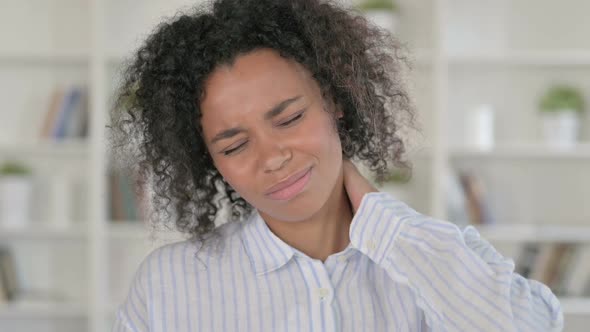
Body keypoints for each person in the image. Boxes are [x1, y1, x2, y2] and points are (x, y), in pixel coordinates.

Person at [110, 0, 563, 331]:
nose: (273, 157)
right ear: (209, 160)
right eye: (233, 146)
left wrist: (382, 220)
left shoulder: (433, 256)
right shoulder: (168, 285)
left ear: (334, 101)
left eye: (289, 118)